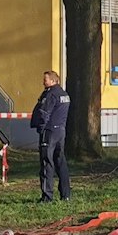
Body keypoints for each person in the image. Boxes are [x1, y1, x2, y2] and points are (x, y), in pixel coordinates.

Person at [30, 69, 71, 203]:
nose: (43, 82)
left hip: (49, 132)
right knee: (60, 162)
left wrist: (41, 128)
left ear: (53, 81)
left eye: (45, 79)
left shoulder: (51, 95)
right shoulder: (64, 94)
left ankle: (47, 196)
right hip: (61, 131)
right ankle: (66, 194)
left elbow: (44, 113)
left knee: (47, 162)